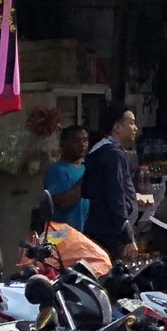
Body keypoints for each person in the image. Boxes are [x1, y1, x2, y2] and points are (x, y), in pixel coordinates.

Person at [81, 107, 140, 260]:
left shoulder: (99, 151)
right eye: (132, 123)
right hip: (110, 232)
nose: (136, 128)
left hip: (97, 226)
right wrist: (127, 235)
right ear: (117, 127)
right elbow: (116, 194)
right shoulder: (113, 153)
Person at [20, 191, 114, 278]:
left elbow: (47, 257)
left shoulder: (55, 232)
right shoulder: (35, 237)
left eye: (35, 214)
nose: (32, 219)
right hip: (81, 271)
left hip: (96, 270)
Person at [44, 125, 89, 230]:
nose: (82, 144)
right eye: (76, 141)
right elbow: (63, 203)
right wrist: (86, 179)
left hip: (84, 236)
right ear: (63, 144)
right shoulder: (56, 170)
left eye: (85, 140)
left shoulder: (84, 169)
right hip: (62, 236)